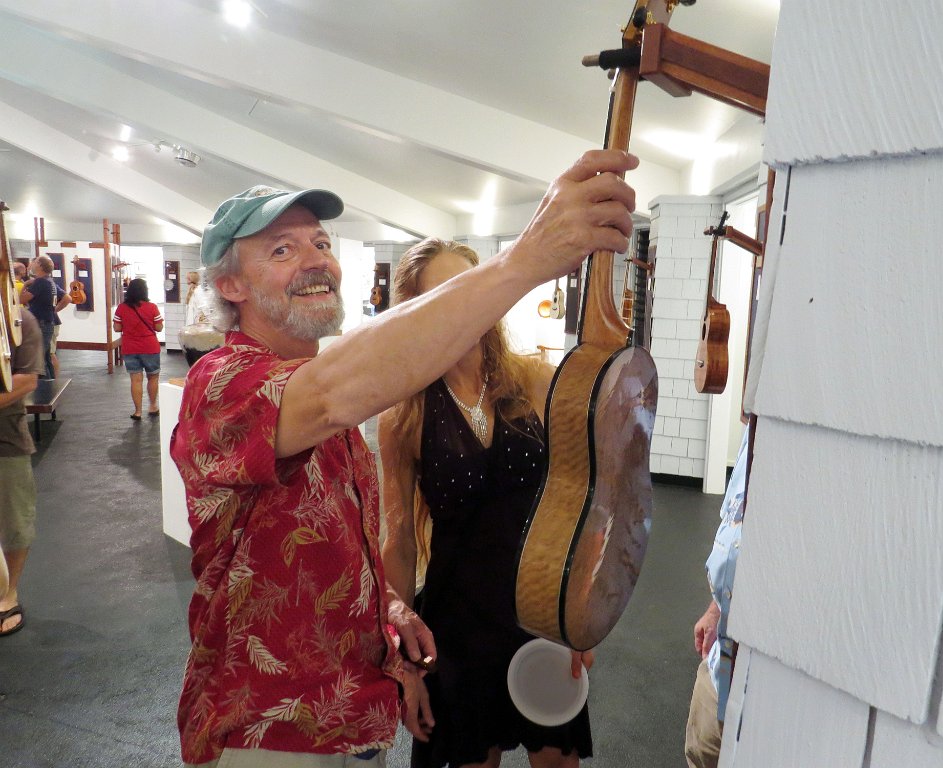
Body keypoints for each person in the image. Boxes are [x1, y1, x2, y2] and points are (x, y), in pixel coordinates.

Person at [169, 149, 639, 768]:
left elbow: (355, 551)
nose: (315, 260)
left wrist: (391, 623)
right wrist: (526, 258)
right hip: (267, 726)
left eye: (319, 241)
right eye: (281, 249)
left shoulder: (327, 409)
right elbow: (342, 393)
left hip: (352, 713)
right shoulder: (225, 386)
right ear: (230, 285)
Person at [378, 239, 593, 768]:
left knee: (557, 758)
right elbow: (399, 540)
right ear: (416, 309)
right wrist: (402, 661)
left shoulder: (535, 378)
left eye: (474, 288)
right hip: (459, 619)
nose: (467, 304)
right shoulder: (403, 412)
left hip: (540, 605)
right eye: (447, 293)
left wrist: (584, 611)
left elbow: (578, 503)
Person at [684, 425, 749, 768]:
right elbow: (734, 521)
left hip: (763, 680)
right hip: (720, 660)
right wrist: (715, 610)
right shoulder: (753, 431)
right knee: (704, 754)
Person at [0, 307, 45, 637]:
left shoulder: (19, 320)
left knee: (15, 521)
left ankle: (8, 594)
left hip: (5, 437)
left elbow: (27, 379)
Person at [113, 278, 164, 420]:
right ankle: (153, 406)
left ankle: (138, 411)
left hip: (130, 347)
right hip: (150, 347)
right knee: (153, 377)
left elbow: (117, 328)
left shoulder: (121, 308)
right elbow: (159, 328)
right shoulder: (152, 307)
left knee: (135, 380)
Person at [19, 256, 59, 380]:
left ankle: (43, 388)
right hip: (47, 322)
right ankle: (50, 384)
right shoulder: (49, 281)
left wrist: (25, 284)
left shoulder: (40, 282)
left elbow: (21, 300)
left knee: (39, 359)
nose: (32, 264)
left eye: (35, 262)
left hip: (41, 323)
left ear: (40, 266)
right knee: (45, 357)